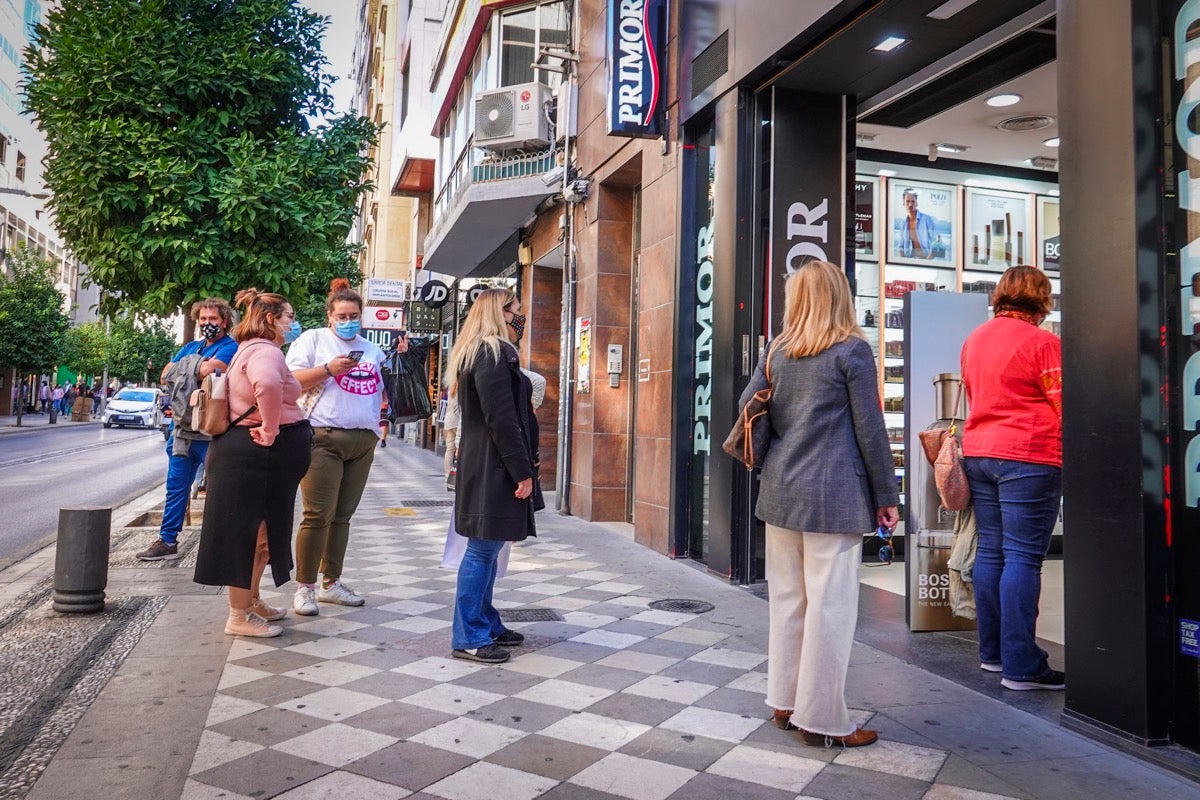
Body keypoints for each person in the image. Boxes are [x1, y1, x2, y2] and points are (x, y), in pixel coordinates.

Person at [739, 260, 898, 748]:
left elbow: (749, 408)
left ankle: (785, 703)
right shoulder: (851, 350)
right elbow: (870, 431)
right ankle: (823, 719)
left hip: (781, 490)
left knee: (788, 601)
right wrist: (887, 496)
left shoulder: (777, 351)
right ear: (841, 296)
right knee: (829, 607)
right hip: (834, 495)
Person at [960, 265, 1064, 691]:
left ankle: (993, 654)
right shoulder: (1044, 343)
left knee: (991, 554)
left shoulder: (975, 339)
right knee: (1023, 558)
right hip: (1029, 456)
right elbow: (1065, 404)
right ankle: (1022, 667)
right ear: (1041, 298)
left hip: (980, 452)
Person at [194, 289, 311, 637]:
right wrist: (272, 429)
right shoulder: (265, 351)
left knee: (261, 536)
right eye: (289, 317)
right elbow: (269, 385)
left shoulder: (251, 349)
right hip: (254, 455)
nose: (293, 324)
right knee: (247, 535)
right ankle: (238, 615)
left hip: (255, 457)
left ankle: (251, 601)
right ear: (272, 319)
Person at [446, 287, 540, 665]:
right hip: (493, 468)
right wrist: (522, 472)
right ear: (501, 313)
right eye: (517, 309)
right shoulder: (492, 352)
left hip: (489, 465)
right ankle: (469, 635)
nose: (521, 315)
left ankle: (486, 622)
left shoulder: (483, 351)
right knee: (482, 549)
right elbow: (501, 418)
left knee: (489, 547)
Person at [286, 278, 387, 616]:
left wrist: (379, 424)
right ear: (329, 316)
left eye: (354, 315)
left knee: (342, 516)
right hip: (321, 437)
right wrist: (328, 369)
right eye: (342, 316)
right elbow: (290, 382)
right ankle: (305, 587)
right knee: (317, 514)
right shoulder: (312, 340)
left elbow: (381, 390)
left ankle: (332, 582)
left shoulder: (372, 349)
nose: (348, 321)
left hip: (363, 440)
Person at [137, 298, 238, 561]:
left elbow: (216, 369)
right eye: (202, 320)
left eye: (213, 319)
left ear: (224, 321)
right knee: (175, 487)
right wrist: (197, 367)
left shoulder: (231, 347)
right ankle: (167, 541)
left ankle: (222, 543)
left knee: (221, 489)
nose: (207, 324)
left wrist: (186, 368)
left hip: (211, 431)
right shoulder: (192, 347)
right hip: (182, 430)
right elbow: (165, 374)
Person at [895, 188, 936, 259]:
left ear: (916, 203)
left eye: (913, 201)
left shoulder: (927, 220)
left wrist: (928, 262)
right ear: (903, 203)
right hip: (909, 261)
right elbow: (900, 247)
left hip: (926, 261)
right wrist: (902, 262)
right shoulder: (903, 224)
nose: (910, 204)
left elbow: (938, 245)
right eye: (907, 201)